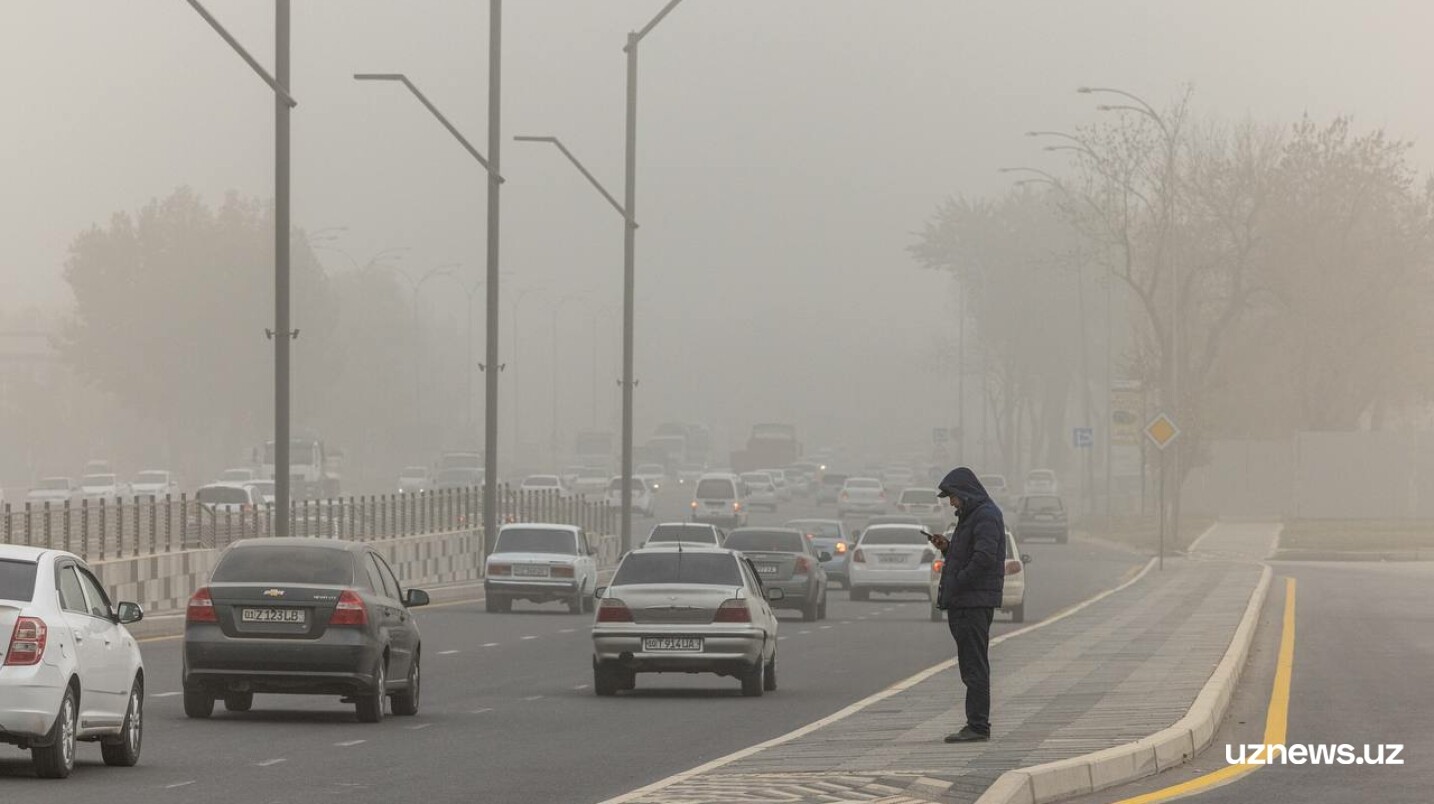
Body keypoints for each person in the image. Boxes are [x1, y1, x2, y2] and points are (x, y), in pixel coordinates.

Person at [929, 467, 1005, 743]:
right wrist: (948, 548)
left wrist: (959, 580)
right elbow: (969, 552)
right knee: (970, 664)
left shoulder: (984, 516)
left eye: (952, 496)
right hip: (967, 600)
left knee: (974, 666)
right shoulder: (974, 516)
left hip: (973, 601)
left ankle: (978, 725)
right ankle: (975, 723)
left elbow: (984, 557)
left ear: (965, 492)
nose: (951, 502)